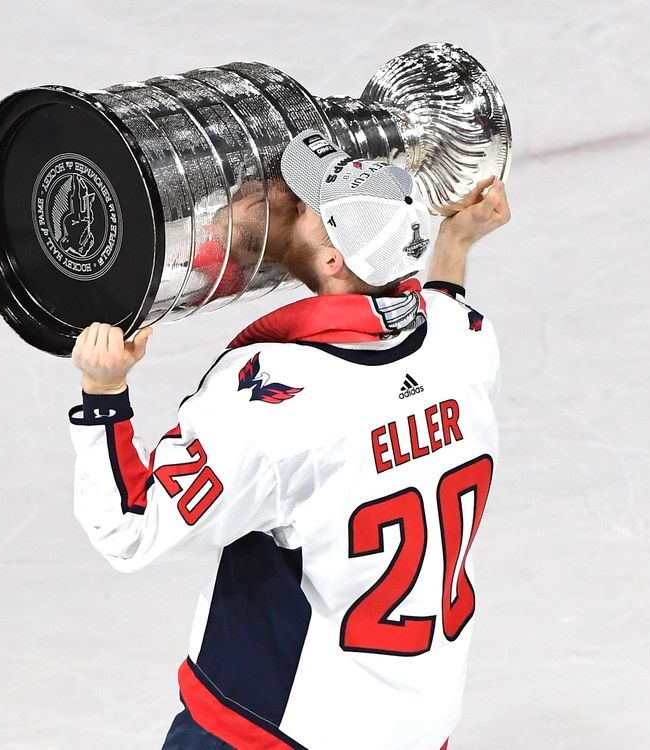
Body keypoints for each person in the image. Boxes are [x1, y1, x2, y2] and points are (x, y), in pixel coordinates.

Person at [68, 129, 511, 750]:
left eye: (302, 207)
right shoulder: (462, 338)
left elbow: (129, 526)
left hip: (278, 731)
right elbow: (434, 317)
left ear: (333, 261)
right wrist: (454, 245)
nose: (285, 203)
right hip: (418, 726)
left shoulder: (276, 401)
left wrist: (103, 392)